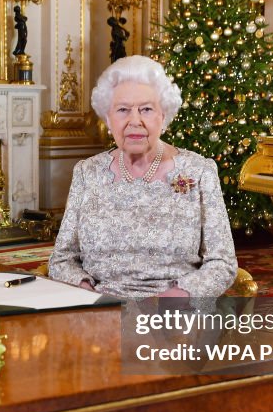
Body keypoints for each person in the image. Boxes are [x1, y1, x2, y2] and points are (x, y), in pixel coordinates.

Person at [48, 55, 238, 299]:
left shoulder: (199, 172)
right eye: (123, 110)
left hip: (175, 310)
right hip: (101, 306)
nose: (134, 120)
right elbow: (62, 259)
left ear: (164, 116)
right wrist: (86, 294)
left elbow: (223, 263)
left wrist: (179, 296)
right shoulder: (87, 173)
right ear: (108, 118)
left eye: (146, 109)